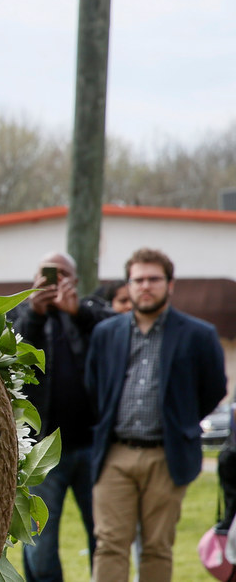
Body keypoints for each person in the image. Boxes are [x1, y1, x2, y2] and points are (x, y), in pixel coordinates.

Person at [86, 247, 227, 582]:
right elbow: (94, 385)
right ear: (129, 284)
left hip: (167, 455)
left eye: (153, 279)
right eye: (138, 280)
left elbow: (214, 388)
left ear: (170, 284)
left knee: (157, 547)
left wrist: (182, 420)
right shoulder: (106, 333)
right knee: (109, 544)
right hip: (115, 455)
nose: (145, 286)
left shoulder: (198, 334)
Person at [7, 252, 115, 582]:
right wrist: (36, 313)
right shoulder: (21, 315)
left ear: (76, 281)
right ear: (35, 279)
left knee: (105, 535)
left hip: (93, 447)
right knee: (39, 543)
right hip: (43, 453)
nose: (55, 282)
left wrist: (77, 311)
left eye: (63, 274)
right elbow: (12, 354)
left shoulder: (91, 312)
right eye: (48, 275)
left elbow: (115, 333)